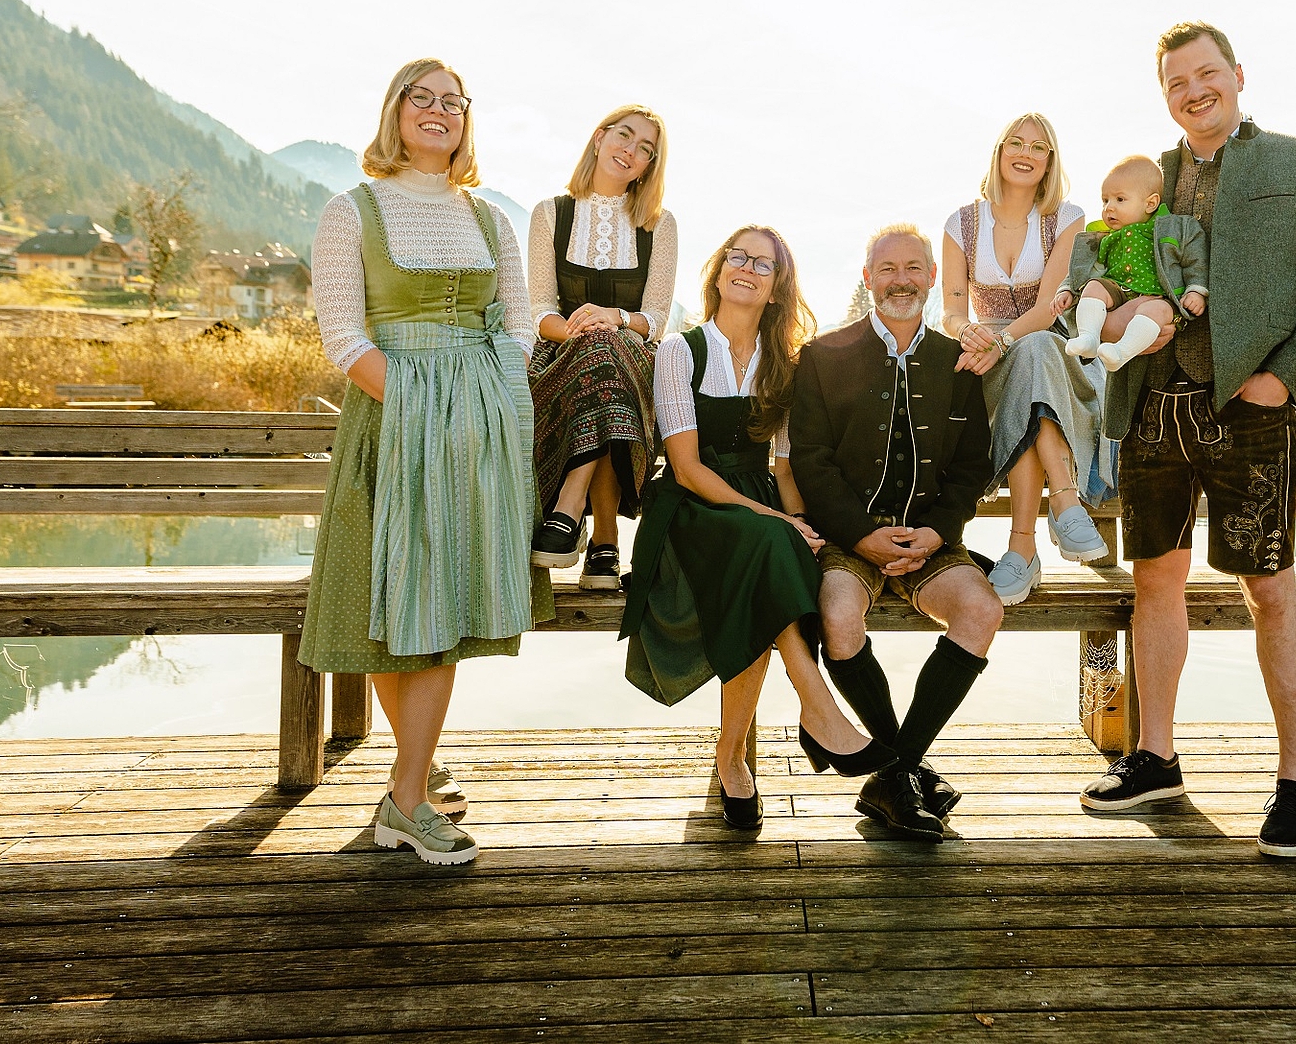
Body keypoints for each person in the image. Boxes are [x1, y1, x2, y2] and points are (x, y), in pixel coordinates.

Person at [1078, 22, 1296, 859]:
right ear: (1164, 96)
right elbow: (1101, 277)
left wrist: (1285, 376)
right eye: (1176, 82)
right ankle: (1156, 758)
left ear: (1238, 75)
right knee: (1154, 583)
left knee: (1269, 588)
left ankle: (1295, 779)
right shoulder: (1145, 179)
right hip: (1151, 410)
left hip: (1250, 412)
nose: (1193, 91)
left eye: (1206, 73)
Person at [304, 57, 554, 866]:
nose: (439, 110)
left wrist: (485, 397)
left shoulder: (488, 217)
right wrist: (419, 406)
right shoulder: (350, 211)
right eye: (423, 98)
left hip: (476, 430)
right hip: (391, 422)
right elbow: (343, 336)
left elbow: (519, 322)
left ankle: (408, 784)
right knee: (394, 601)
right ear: (396, 111)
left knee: (441, 606)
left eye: (454, 101)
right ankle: (410, 788)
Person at [623, 226, 893, 831]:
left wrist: (803, 525)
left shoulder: (784, 365)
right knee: (769, 545)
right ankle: (815, 707)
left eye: (762, 264)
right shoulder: (681, 350)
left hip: (759, 508)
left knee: (769, 560)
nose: (746, 268)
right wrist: (776, 520)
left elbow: (784, 465)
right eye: (737, 257)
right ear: (719, 271)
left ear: (776, 289)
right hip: (692, 509)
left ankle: (733, 756)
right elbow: (686, 467)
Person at [791, 225, 1004, 843]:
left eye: (914, 268)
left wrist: (939, 532)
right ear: (868, 278)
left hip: (931, 539)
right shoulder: (823, 356)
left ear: (933, 278)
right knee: (837, 613)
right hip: (847, 539)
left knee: (982, 609)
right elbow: (811, 461)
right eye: (887, 269)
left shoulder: (956, 362)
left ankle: (894, 770)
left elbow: (972, 465)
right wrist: (861, 536)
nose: (901, 280)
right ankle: (904, 774)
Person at [939, 114, 1111, 608]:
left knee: (1034, 354)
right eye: (1015, 143)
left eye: (1038, 147)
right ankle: (1064, 505)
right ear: (999, 152)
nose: (1025, 153)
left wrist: (1002, 342)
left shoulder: (1067, 218)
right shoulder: (962, 223)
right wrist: (969, 333)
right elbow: (951, 309)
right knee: (1024, 381)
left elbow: (1048, 309)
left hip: (1057, 351)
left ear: (1050, 162)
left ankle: (1023, 547)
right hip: (989, 357)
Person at [524, 106, 680, 589]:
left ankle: (569, 510)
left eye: (645, 149)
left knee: (606, 356)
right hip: (561, 353)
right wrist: (581, 332)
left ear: (649, 165)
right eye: (624, 136)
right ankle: (605, 540)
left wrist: (615, 319)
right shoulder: (551, 213)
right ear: (599, 138)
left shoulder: (660, 225)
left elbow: (656, 318)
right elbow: (539, 310)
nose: (630, 151)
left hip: (633, 357)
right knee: (597, 358)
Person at [1057, 154, 1208, 371]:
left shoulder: (1173, 228)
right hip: (1118, 291)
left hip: (1158, 297)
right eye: (1105, 200)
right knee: (1094, 286)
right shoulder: (1106, 237)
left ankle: (1121, 352)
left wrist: (1196, 290)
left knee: (1156, 311)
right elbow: (1082, 269)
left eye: (1120, 199)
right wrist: (1066, 289)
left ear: (1150, 203)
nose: (1109, 207)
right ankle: (1089, 338)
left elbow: (1195, 260)